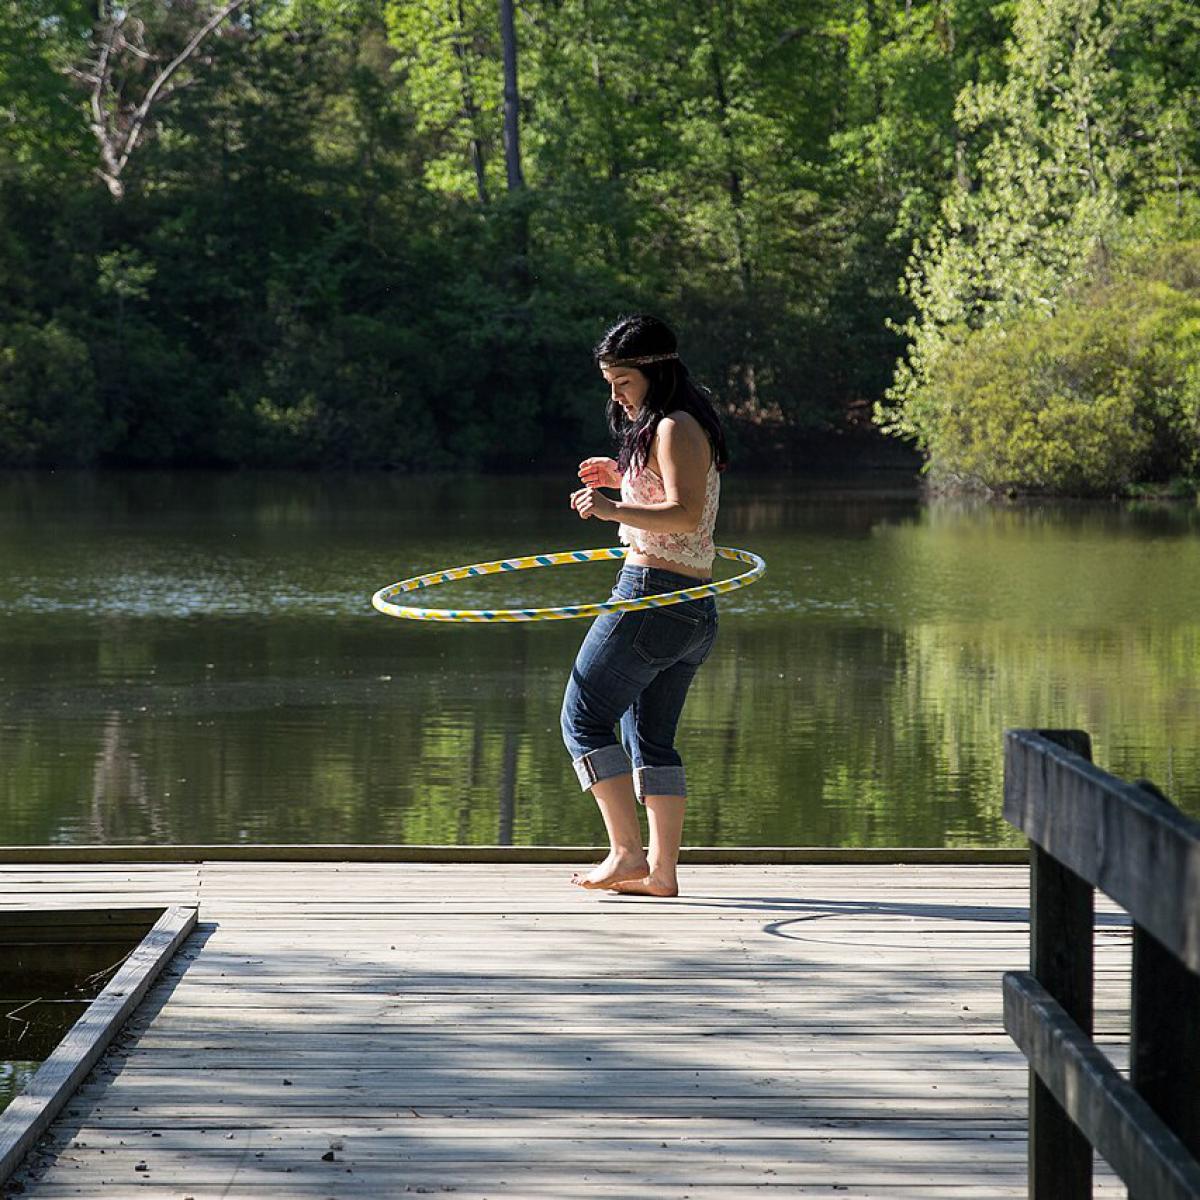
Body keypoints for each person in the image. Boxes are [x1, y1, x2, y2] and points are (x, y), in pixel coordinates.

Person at [562, 314, 728, 897]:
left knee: (582, 718)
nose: (615, 393)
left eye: (623, 380)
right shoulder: (674, 426)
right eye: (609, 381)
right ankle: (660, 873)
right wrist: (625, 475)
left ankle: (626, 854)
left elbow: (684, 513)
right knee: (650, 739)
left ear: (656, 372)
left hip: (652, 597)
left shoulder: (674, 427)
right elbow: (672, 493)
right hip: (691, 608)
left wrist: (610, 510)